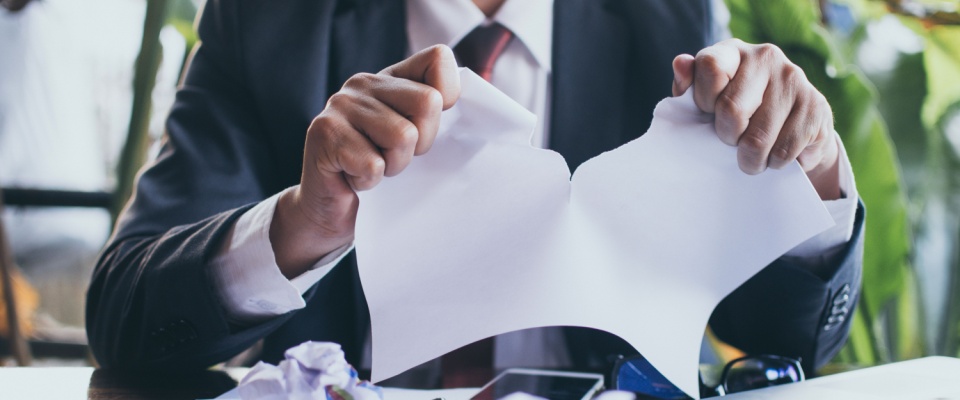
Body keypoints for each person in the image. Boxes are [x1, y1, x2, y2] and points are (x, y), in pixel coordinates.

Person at [86, 0, 863, 388]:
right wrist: (300, 224)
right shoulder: (268, 20)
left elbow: (788, 338)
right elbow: (125, 317)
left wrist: (808, 174)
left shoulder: (664, 15)